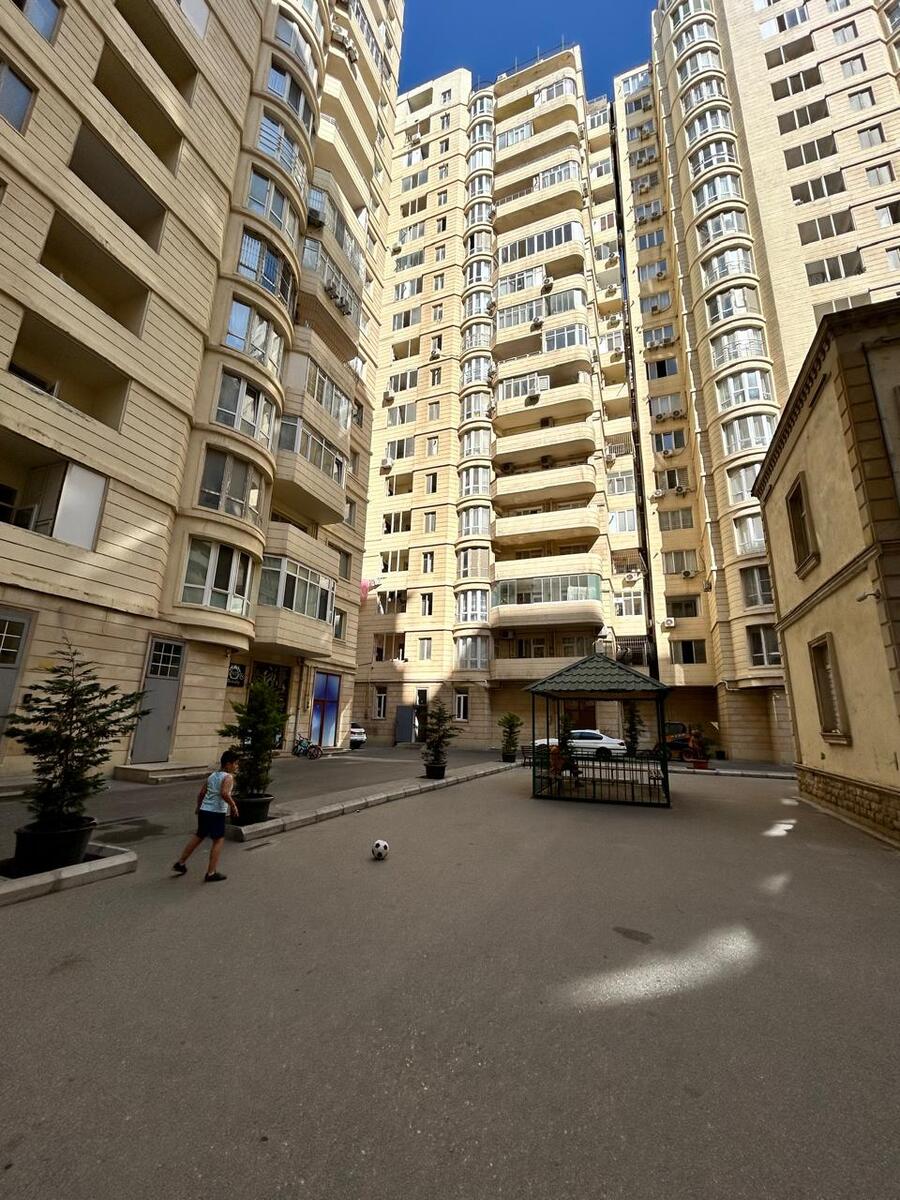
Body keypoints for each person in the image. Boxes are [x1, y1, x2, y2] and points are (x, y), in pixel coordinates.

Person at [172, 752, 240, 882]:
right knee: (218, 840)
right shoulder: (228, 777)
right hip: (216, 812)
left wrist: (199, 807)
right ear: (228, 764)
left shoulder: (212, 776)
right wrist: (233, 805)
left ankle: (181, 862)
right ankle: (211, 872)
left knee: (199, 836)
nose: (237, 766)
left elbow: (202, 793)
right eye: (235, 763)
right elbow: (224, 793)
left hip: (205, 810)